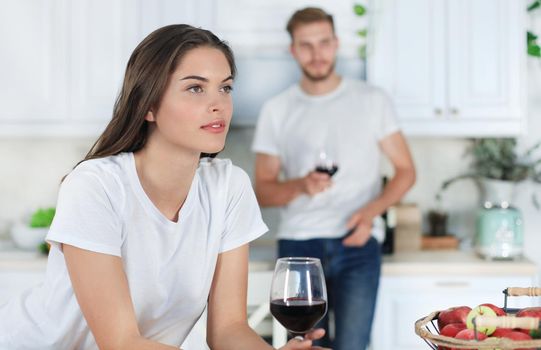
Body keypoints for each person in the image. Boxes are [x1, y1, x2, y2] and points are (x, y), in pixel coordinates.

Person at [0, 24, 327, 350]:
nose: (218, 104)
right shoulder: (96, 186)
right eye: (196, 88)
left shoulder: (228, 186)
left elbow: (228, 329)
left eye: (225, 88)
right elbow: (121, 343)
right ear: (148, 106)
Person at [252, 7, 416, 350]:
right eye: (306, 45)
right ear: (293, 50)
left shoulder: (372, 100)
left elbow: (406, 171)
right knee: (305, 347)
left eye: (324, 42)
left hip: (357, 242)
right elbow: (263, 191)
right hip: (299, 247)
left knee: (354, 345)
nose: (317, 54)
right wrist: (301, 185)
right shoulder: (277, 109)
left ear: (336, 43)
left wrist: (371, 213)